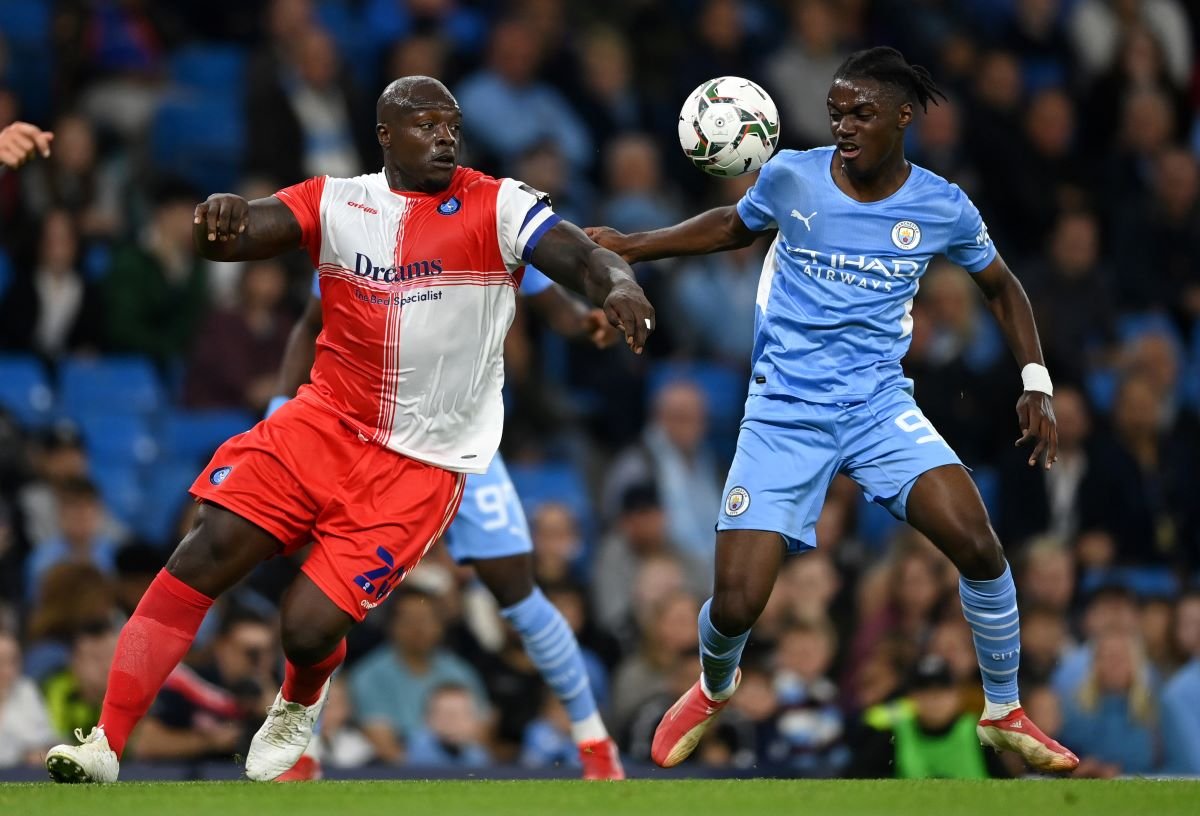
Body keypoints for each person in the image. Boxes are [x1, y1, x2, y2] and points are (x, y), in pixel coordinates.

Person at [44, 74, 654, 784]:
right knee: (204, 550)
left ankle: (301, 703)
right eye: (426, 125)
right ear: (386, 136)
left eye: (452, 124)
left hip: (422, 464)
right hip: (322, 426)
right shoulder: (339, 201)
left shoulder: (498, 204)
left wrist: (619, 284)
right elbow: (245, 232)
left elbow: (580, 255)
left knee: (307, 627)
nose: (445, 137)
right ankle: (106, 744)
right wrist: (220, 218)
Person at [589, 46, 1077, 773]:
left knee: (979, 542)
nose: (844, 125)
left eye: (861, 112)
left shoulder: (942, 204)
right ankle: (713, 688)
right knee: (737, 604)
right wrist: (632, 245)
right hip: (785, 411)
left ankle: (1004, 710)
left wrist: (1035, 378)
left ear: (903, 118)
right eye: (836, 112)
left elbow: (1002, 286)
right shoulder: (794, 176)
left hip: (879, 407)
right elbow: (733, 226)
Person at [270, 264, 626, 778]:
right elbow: (310, 323)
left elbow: (553, 306)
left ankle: (595, 742)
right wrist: (281, 405)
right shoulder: (355, 224)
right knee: (328, 599)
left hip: (463, 445)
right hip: (375, 447)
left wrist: (584, 320)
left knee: (519, 593)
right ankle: (302, 748)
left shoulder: (493, 221)